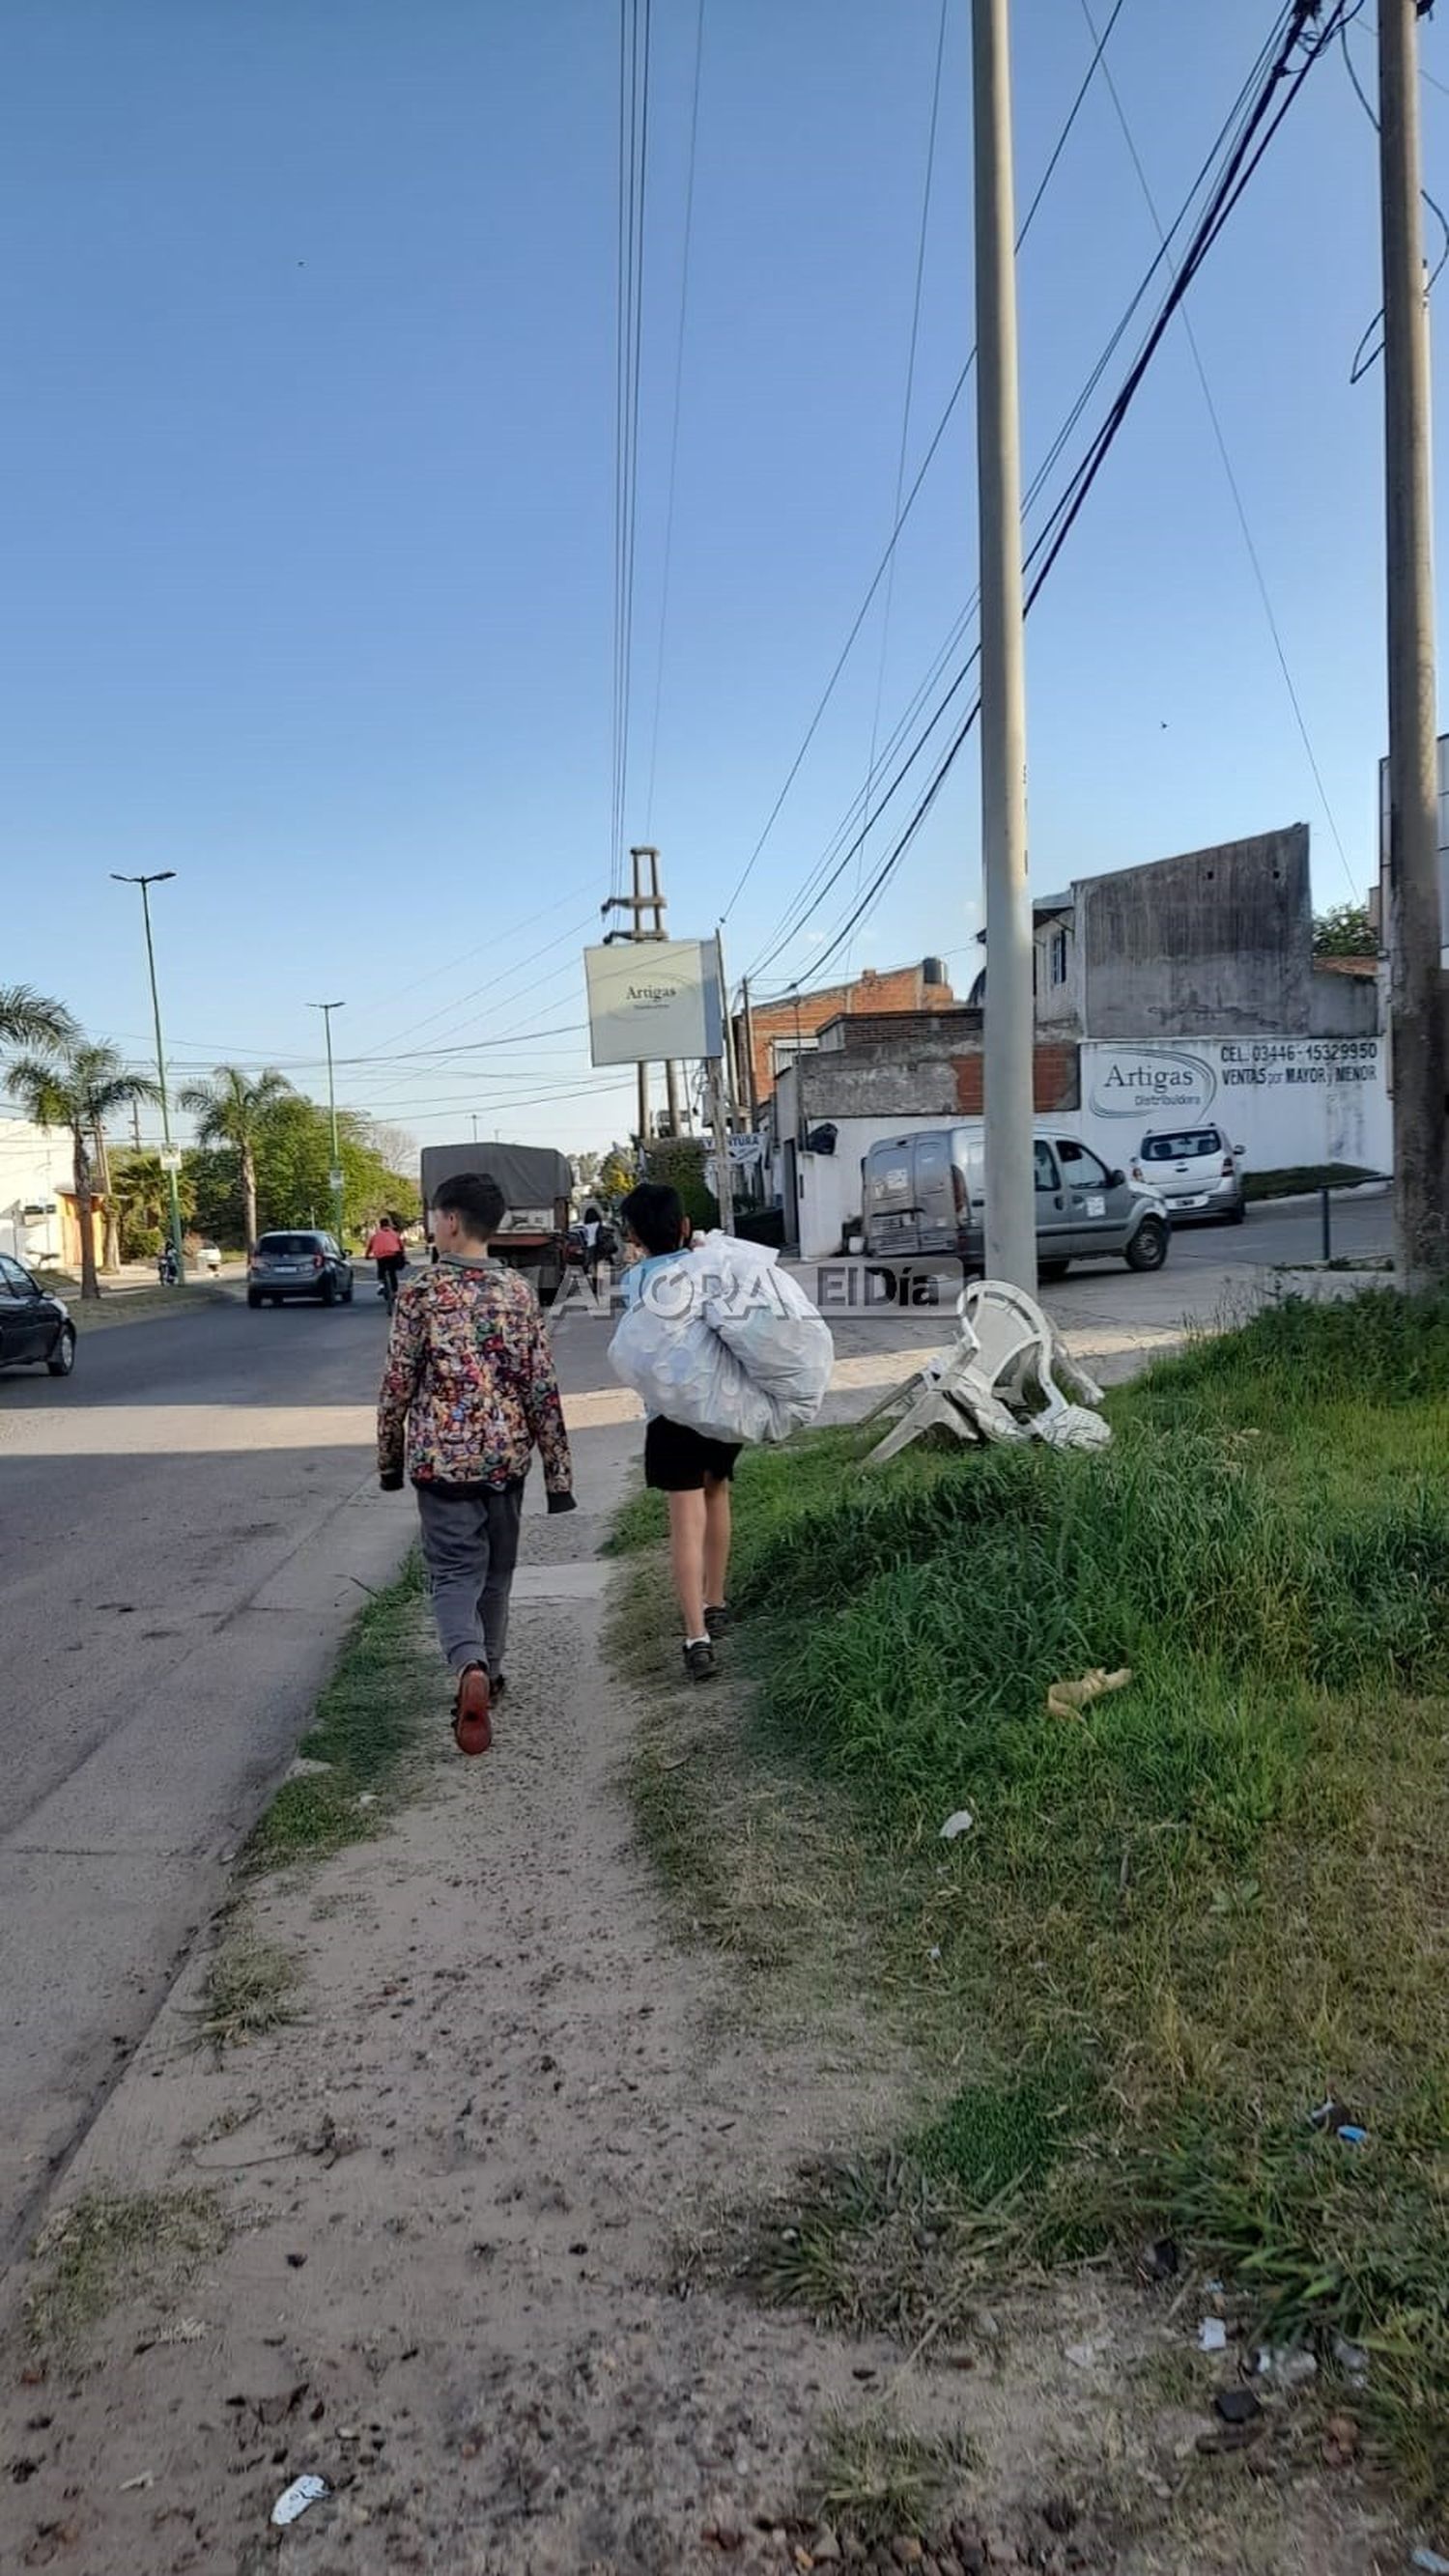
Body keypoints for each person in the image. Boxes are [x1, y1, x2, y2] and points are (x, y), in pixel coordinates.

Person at [377, 1171, 577, 1755]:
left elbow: (397, 1384)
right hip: (506, 1461)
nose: (434, 1225)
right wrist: (558, 1476)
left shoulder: (418, 1291)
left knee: (452, 1575)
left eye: (436, 1216)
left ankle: (468, 1664)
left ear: (452, 1221)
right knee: (497, 1573)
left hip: (442, 1467)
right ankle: (493, 1667)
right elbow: (541, 1385)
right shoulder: (517, 1292)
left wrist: (390, 1460)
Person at [618, 1180, 737, 1684]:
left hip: (669, 1415)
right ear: (685, 1226)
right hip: (719, 1408)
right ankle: (716, 1600)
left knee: (684, 1520)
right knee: (718, 1497)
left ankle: (696, 1636)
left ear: (634, 1236)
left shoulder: (633, 1281)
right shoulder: (706, 1266)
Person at [366, 1213, 407, 1310]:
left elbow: (370, 1246)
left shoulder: (376, 1235)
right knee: (392, 1273)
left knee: (381, 1269)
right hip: (393, 1255)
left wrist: (367, 1255)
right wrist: (403, 1255)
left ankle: (381, 1284)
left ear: (380, 1225)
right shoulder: (394, 1234)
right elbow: (401, 1246)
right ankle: (395, 1291)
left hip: (381, 1256)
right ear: (388, 1225)